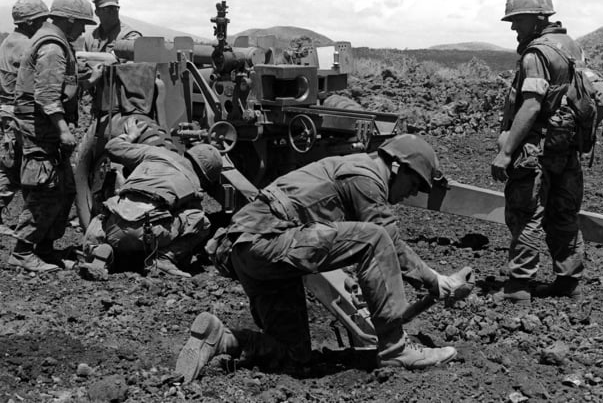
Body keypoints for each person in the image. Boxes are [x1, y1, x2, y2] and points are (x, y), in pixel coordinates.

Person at [175, 134, 475, 382]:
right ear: (397, 167)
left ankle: (223, 338)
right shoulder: (365, 178)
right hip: (268, 240)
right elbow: (388, 243)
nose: (412, 194)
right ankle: (395, 349)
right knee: (376, 237)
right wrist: (438, 281)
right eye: (414, 184)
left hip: (248, 250)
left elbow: (335, 242)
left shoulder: (352, 167)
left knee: (294, 356)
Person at [491, 0, 586, 305]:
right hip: (566, 147)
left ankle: (519, 285)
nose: (514, 27)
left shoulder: (536, 53)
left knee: (526, 212)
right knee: (564, 213)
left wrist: (505, 153)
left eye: (518, 21)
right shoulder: (570, 46)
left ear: (536, 19)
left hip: (538, 149)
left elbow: (531, 105)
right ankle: (568, 281)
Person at [10, 0, 100, 273]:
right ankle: (22, 252)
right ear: (69, 20)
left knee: (65, 190)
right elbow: (47, 96)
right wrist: (63, 130)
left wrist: (87, 81)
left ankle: (45, 249)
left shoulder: (57, 43)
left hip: (46, 127)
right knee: (45, 190)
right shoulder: (52, 47)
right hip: (42, 130)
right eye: (82, 24)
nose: (84, 30)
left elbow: (62, 87)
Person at [81, 117, 222, 279]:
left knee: (107, 211)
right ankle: (164, 259)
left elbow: (112, 147)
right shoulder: (195, 184)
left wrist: (130, 136)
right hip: (148, 234)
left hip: (113, 228)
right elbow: (193, 221)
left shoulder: (156, 153)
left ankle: (99, 253)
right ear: (206, 177)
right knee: (200, 220)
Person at [0, 0, 49, 226]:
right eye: (40, 20)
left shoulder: (11, 40)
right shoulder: (25, 45)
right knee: (15, 171)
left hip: (8, 112)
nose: (43, 24)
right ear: (29, 22)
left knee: (14, 168)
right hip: (16, 114)